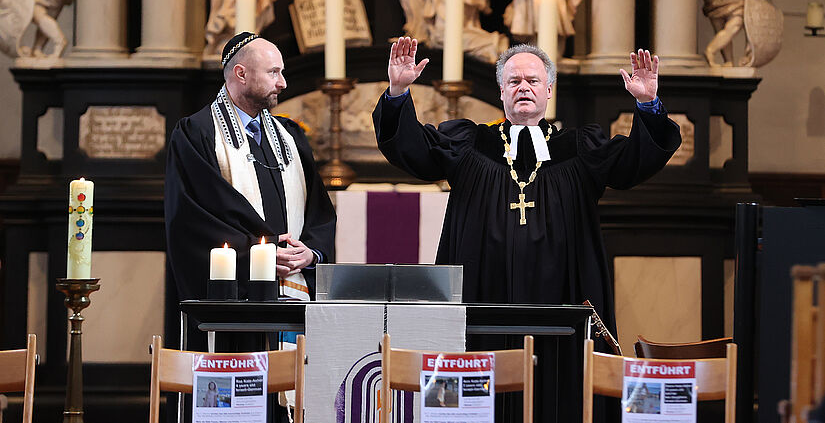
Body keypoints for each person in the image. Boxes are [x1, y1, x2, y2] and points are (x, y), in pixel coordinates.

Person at [372, 37, 681, 422]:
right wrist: (398, 92)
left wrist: (648, 106)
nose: (524, 87)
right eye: (514, 80)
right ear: (501, 90)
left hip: (564, 301)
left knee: (561, 397)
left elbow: (634, 162)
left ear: (549, 90)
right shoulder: (469, 143)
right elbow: (414, 148)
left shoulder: (580, 147)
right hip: (481, 299)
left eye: (533, 81)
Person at [165, 31, 336, 304]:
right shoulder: (197, 134)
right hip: (235, 298)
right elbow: (192, 220)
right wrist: (258, 254)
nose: (283, 83)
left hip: (295, 292)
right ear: (241, 73)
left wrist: (312, 253)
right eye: (273, 72)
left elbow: (319, 210)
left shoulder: (291, 136)